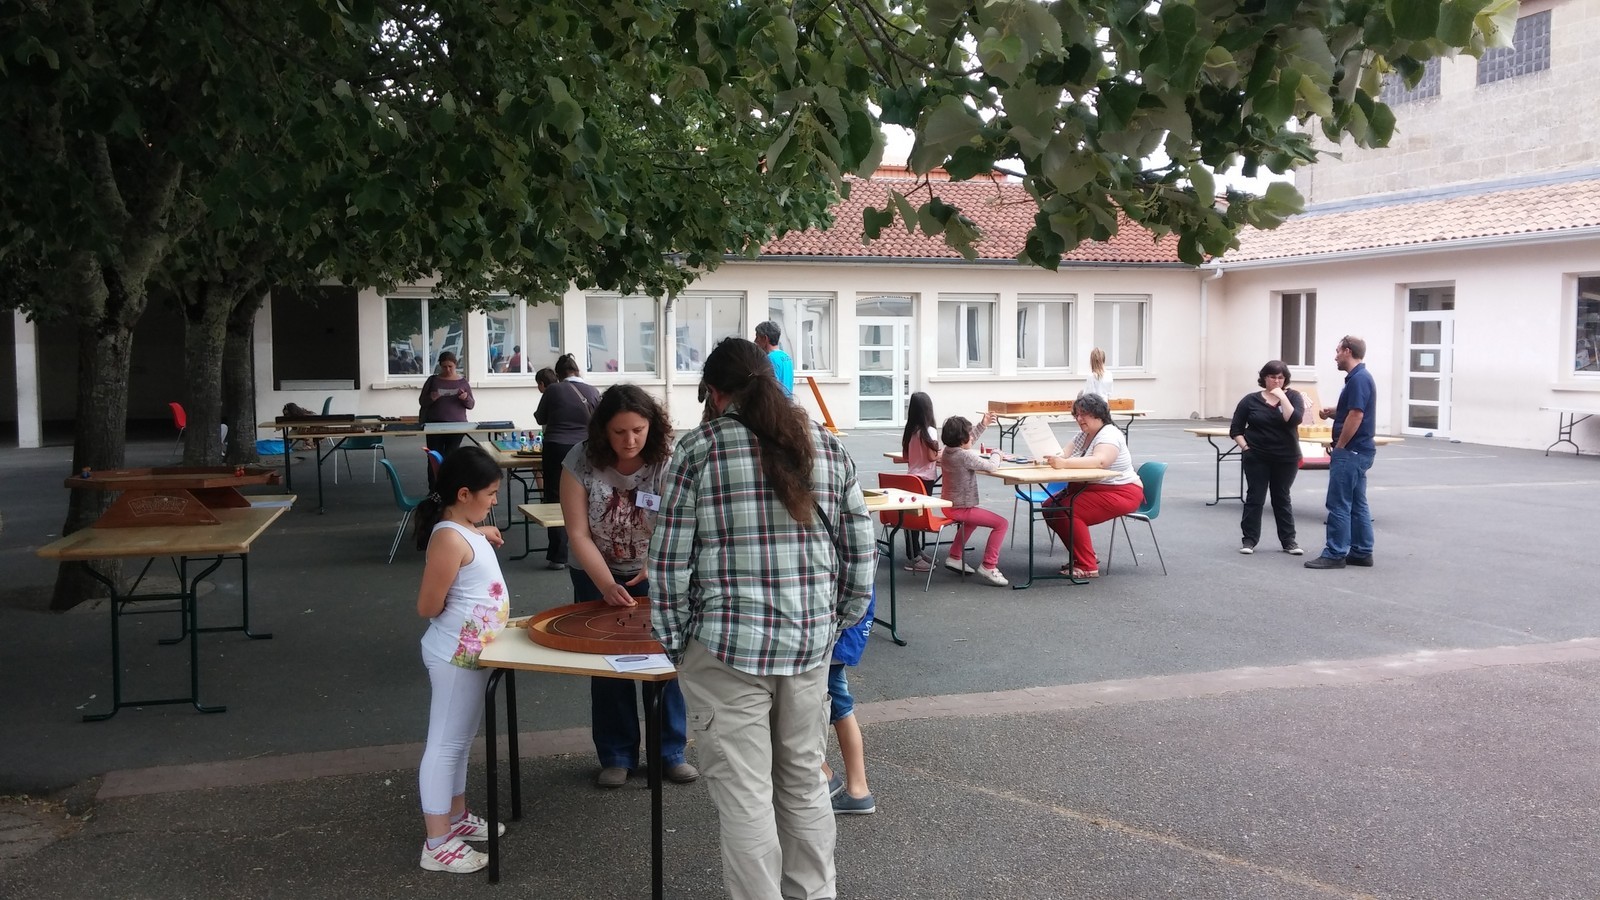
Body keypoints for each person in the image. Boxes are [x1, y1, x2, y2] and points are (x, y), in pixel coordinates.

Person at [649, 337, 876, 900]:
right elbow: (859, 550)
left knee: (746, 800)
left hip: (724, 649)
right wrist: (835, 622)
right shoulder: (826, 446)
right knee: (802, 784)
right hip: (807, 646)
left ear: (716, 392)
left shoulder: (698, 451)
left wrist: (678, 645)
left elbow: (669, 562)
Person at [560, 384, 697, 788]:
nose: (629, 440)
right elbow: (577, 532)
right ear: (603, 431)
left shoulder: (669, 459)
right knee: (607, 666)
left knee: (663, 662)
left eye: (637, 430)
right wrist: (604, 582)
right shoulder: (580, 459)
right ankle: (616, 753)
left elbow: (678, 523)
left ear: (651, 427)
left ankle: (670, 751)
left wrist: (657, 564)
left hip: (656, 569)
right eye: (619, 432)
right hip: (595, 571)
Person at [412, 446, 509, 874]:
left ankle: (454, 817)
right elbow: (428, 606)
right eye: (490, 494)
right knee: (446, 744)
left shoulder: (463, 528)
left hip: (472, 651)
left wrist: (479, 534)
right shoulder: (449, 538)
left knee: (460, 742)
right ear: (464, 493)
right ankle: (437, 842)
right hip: (456, 654)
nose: (494, 502)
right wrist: (468, 541)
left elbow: (466, 545)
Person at [1038, 394, 1144, 579]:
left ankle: (1087, 565)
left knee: (1067, 510)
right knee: (1049, 507)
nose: (1079, 419)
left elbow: (1101, 461)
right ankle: (1084, 556)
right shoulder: (1084, 435)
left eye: (1083, 414)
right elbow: (1061, 454)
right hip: (1092, 489)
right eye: (1077, 415)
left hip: (1122, 491)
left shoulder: (1109, 434)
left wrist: (1063, 463)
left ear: (1098, 414)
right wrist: (1043, 457)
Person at [899, 394, 993, 573]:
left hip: (911, 477)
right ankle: (914, 557)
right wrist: (939, 454)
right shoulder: (930, 431)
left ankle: (915, 552)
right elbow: (931, 457)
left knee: (911, 518)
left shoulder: (910, 430)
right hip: (924, 478)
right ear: (928, 409)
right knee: (919, 518)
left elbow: (906, 456)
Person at [1307, 336, 1378, 570]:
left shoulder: (1358, 379)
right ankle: (1361, 551)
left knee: (1338, 502)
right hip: (1361, 451)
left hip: (1351, 451)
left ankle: (1335, 552)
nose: (1335, 356)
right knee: (1358, 502)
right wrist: (1334, 412)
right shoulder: (1360, 378)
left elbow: (1356, 415)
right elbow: (1353, 411)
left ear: (1347, 351)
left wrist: (1340, 447)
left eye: (1337, 351)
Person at [1229, 360, 1305, 555]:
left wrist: (1283, 398)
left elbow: (1294, 419)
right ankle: (1249, 540)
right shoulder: (1250, 400)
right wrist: (1246, 448)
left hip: (1286, 457)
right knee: (1255, 496)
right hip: (1257, 456)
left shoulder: (1294, 397)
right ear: (1264, 378)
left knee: (1282, 497)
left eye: (1281, 378)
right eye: (1272, 377)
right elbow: (1236, 429)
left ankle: (1289, 541)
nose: (1277, 381)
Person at [533, 353, 600, 570]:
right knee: (588, 497)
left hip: (556, 446)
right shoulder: (592, 391)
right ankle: (588, 551)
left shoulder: (553, 390)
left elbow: (540, 418)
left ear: (559, 374)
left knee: (554, 498)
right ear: (577, 370)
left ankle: (558, 556)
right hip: (585, 448)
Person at [937, 416, 1011, 587]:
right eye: (969, 435)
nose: (972, 437)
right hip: (961, 508)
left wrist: (982, 425)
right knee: (1001, 524)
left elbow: (968, 442)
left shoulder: (948, 450)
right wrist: (996, 454)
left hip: (949, 505)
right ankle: (989, 565)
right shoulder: (964, 456)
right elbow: (992, 466)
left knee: (970, 523)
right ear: (962, 439)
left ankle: (955, 557)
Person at [822, 589, 875, 815]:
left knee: (839, 709)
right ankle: (829, 776)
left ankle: (856, 788)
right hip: (842, 638)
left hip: (834, 641)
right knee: (838, 707)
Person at [418, 351, 474, 462]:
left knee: (451, 456)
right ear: (440, 366)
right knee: (434, 456)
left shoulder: (463, 382)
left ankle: (449, 479)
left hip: (457, 425)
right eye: (444, 367)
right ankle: (435, 479)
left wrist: (465, 398)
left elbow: (471, 405)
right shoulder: (433, 380)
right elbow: (422, 402)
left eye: (450, 366)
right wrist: (431, 398)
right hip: (434, 424)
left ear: (455, 365)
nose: (447, 370)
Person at [753, 320, 795, 397]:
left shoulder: (768, 359)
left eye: (757, 336)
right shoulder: (786, 356)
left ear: (765, 338)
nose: (755, 341)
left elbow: (771, 388)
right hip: (788, 404)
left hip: (777, 405)